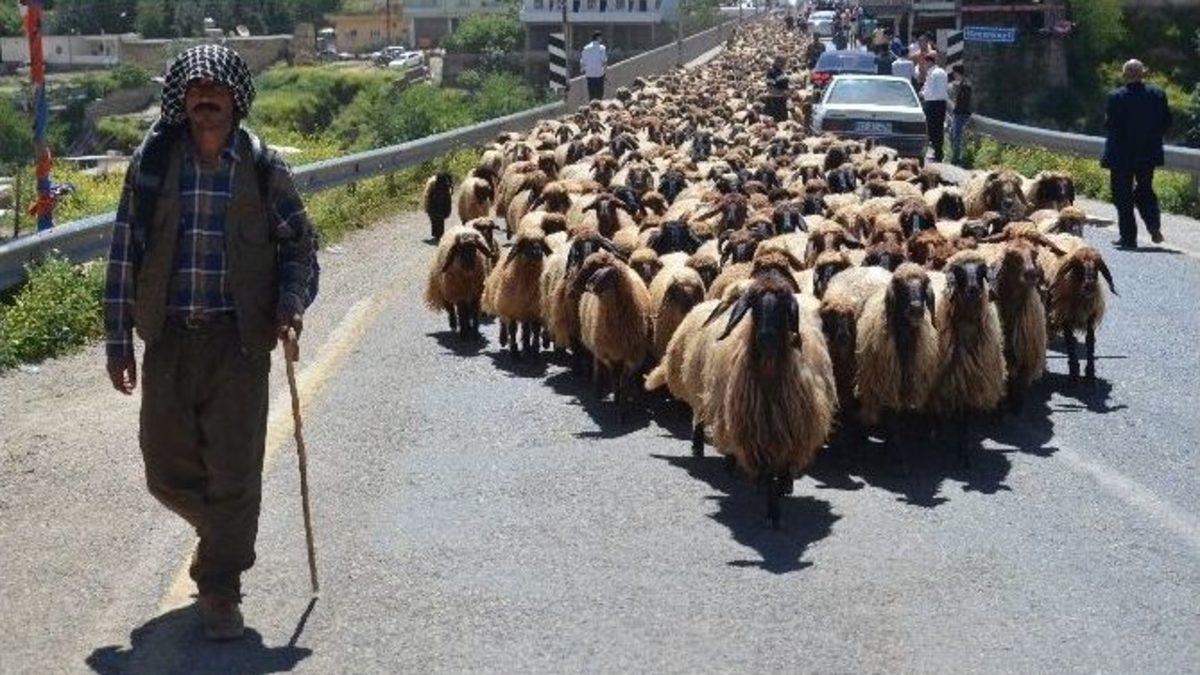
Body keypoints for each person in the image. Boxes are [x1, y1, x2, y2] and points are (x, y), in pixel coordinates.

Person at [104, 45, 319, 641]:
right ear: (181, 99)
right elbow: (123, 253)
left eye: (216, 90)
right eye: (195, 90)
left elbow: (299, 246)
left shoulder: (262, 167)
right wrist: (117, 340)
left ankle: (220, 587)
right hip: (169, 339)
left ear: (235, 99)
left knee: (235, 473)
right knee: (164, 471)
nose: (205, 99)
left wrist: (291, 303)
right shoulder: (152, 167)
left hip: (239, 343)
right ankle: (224, 530)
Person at [1102, 59, 1173, 248]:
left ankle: (1128, 237)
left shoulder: (1116, 97)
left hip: (1121, 155)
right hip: (1147, 153)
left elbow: (1110, 124)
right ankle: (1153, 224)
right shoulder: (1157, 94)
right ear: (1143, 74)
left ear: (1125, 75)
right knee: (1145, 190)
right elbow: (1166, 121)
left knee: (1122, 195)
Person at [920, 54, 949, 162]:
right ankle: (939, 153)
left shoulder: (932, 73)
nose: (925, 65)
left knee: (931, 128)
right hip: (942, 103)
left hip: (932, 103)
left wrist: (921, 94)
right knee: (939, 128)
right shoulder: (942, 72)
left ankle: (936, 152)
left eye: (925, 63)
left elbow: (929, 90)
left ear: (929, 62)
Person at [946, 63, 973, 165]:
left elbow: (964, 101)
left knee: (956, 136)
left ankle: (956, 158)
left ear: (957, 73)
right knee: (952, 134)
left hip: (961, 114)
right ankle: (955, 155)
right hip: (957, 113)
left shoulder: (966, 85)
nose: (953, 75)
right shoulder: (961, 84)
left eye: (954, 73)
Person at [581, 31, 608, 101]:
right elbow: (604, 61)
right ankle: (599, 105)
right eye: (601, 38)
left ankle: (592, 105)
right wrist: (605, 73)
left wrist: (583, 70)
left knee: (591, 94)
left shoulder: (586, 48)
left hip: (589, 74)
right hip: (599, 74)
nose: (601, 39)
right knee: (599, 94)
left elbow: (583, 61)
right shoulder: (602, 48)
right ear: (598, 38)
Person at [764, 55, 790, 123]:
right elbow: (770, 88)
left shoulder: (781, 71)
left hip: (782, 101)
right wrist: (782, 93)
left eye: (784, 63)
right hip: (774, 101)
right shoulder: (771, 72)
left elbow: (784, 85)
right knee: (776, 121)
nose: (784, 65)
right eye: (782, 62)